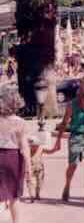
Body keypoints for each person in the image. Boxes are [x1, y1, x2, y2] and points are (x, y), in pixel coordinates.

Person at [52, 81, 84, 205]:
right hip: (75, 136)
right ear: (80, 95)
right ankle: (67, 185)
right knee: (73, 165)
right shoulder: (71, 105)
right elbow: (64, 123)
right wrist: (58, 141)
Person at [0, 86, 31, 223]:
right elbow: (24, 147)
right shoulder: (21, 123)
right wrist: (29, 169)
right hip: (14, 159)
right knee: (14, 196)